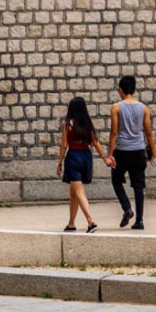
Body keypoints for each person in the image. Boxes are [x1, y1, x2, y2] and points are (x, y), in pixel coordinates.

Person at [108, 75, 155, 231]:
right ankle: (140, 221)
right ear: (134, 90)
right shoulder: (143, 108)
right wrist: (152, 152)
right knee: (138, 186)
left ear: (121, 90)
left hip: (121, 150)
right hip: (138, 150)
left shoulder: (116, 107)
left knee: (116, 181)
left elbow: (114, 133)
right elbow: (148, 133)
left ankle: (127, 208)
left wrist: (110, 154)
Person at [59, 96, 102, 232]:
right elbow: (95, 143)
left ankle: (91, 222)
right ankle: (71, 223)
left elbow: (64, 145)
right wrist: (105, 158)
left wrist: (59, 162)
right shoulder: (87, 123)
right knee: (73, 193)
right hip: (86, 157)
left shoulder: (68, 124)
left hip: (73, 157)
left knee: (78, 191)